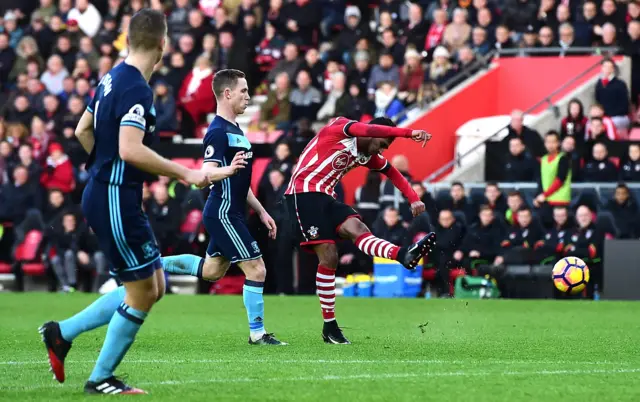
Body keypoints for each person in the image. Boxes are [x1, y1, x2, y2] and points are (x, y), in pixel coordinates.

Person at [39, 10, 211, 394]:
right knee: (142, 292)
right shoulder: (136, 88)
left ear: (128, 40)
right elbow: (130, 149)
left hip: (111, 193)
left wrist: (104, 166)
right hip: (114, 197)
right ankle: (99, 378)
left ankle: (62, 333)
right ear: (163, 45)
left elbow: (83, 129)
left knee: (155, 285)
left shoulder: (110, 77)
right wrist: (185, 173)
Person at [160, 69, 286, 346]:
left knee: (212, 271)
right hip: (223, 212)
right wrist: (228, 169)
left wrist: (262, 211)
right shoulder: (217, 132)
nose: (248, 96)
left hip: (233, 210)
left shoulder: (236, 130)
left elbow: (242, 181)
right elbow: (205, 175)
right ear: (227, 94)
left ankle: (151, 265)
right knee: (257, 269)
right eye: (243, 91)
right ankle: (257, 334)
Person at [284, 116, 435, 344]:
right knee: (329, 255)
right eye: (384, 143)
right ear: (373, 134)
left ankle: (403, 255)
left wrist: (413, 198)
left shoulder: (368, 155)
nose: (383, 149)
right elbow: (368, 127)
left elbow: (392, 172)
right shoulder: (340, 130)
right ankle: (330, 326)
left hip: (326, 196)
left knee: (358, 227)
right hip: (302, 194)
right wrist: (408, 132)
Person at [534, 131, 571, 227]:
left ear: (558, 143)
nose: (550, 145)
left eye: (553, 142)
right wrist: (538, 196)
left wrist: (544, 195)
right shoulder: (544, 159)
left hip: (560, 201)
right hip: (546, 200)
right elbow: (541, 180)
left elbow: (559, 180)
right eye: (547, 142)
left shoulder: (563, 159)